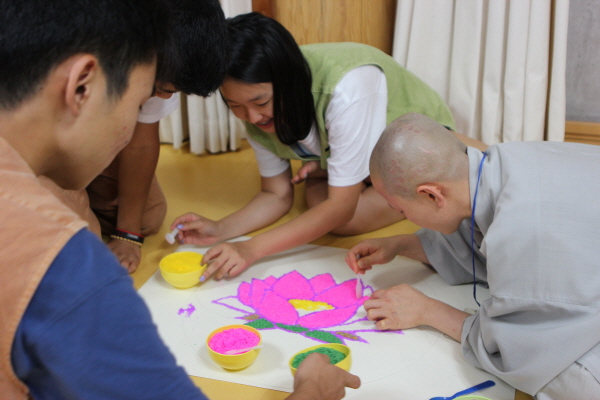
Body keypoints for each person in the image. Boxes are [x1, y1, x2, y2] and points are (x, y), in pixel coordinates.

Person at [0, 1, 360, 399]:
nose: (134, 131)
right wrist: (312, 390)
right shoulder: (68, 267)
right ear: (81, 85)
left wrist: (135, 232)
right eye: (140, 103)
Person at [170, 12, 487, 281]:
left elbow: (341, 209)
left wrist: (250, 248)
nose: (251, 117)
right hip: (366, 155)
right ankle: (339, 172)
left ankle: (467, 151)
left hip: (416, 146)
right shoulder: (252, 103)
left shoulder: (345, 87)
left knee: (345, 217)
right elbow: (276, 194)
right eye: (235, 106)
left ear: (288, 81)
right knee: (320, 201)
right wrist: (220, 229)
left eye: (261, 102)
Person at [345, 113, 600, 399]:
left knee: (575, 381)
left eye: (402, 210)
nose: (404, 217)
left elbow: (521, 348)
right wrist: (402, 244)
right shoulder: (505, 159)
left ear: (432, 195)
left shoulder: (520, 231)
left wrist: (428, 310)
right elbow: (479, 233)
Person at [40, 0, 229, 273]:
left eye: (170, 92)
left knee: (148, 218)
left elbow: (140, 145)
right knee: (80, 245)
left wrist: (127, 234)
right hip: (37, 142)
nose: (161, 97)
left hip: (85, 136)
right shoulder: (74, 42)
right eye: (160, 88)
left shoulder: (152, 63)